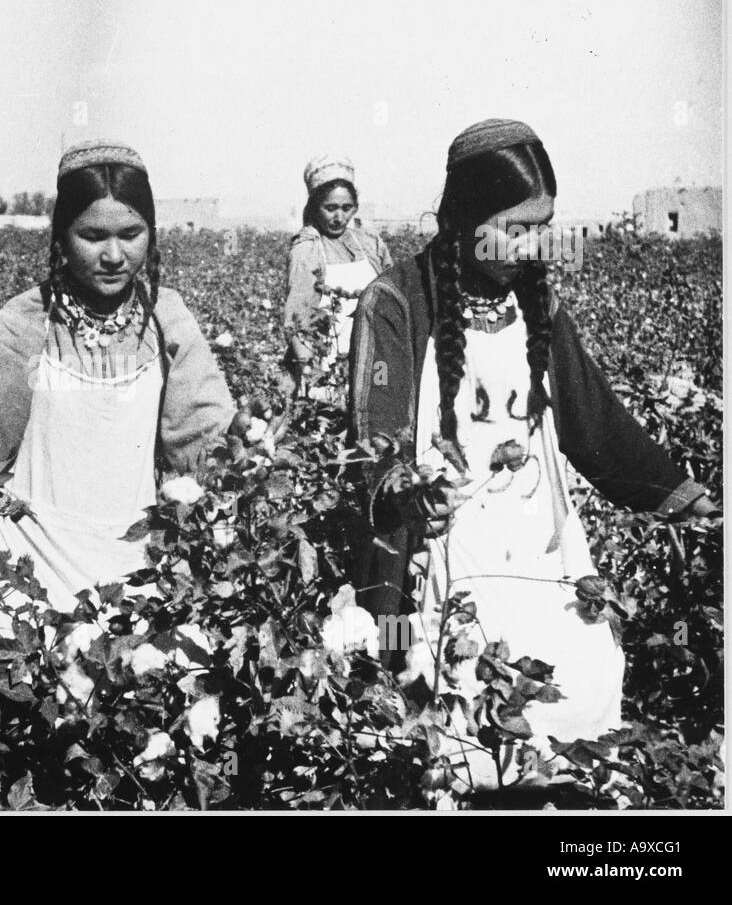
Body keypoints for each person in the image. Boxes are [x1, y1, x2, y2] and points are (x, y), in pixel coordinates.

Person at [347, 119, 718, 791]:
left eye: (544, 223)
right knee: (448, 723)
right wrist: (411, 486)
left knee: (574, 699)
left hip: (540, 550)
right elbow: (376, 442)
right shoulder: (395, 301)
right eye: (515, 227)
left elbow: (592, 418)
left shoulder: (535, 297)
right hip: (442, 551)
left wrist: (674, 491)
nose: (535, 242)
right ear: (462, 217)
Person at [0, 139, 238, 611]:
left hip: (138, 569)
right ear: (61, 237)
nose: (115, 255)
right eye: (93, 236)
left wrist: (254, 446)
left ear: (152, 234)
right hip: (28, 569)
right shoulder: (25, 322)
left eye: (131, 233)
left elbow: (209, 449)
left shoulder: (167, 320)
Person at [283, 155, 394, 401]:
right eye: (330, 208)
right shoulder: (307, 249)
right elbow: (297, 319)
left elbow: (393, 295)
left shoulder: (369, 243)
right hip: (327, 365)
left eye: (346, 208)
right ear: (315, 207)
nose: (339, 217)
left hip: (374, 357)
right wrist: (308, 371)